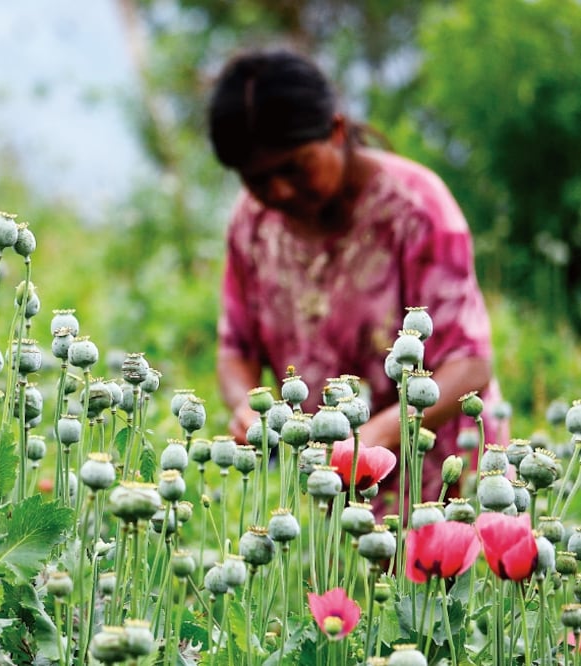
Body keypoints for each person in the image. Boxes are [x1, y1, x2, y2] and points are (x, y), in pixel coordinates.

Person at [207, 48, 506, 509]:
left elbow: (470, 363)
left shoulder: (417, 209)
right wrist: (248, 407)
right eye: (258, 179)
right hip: (328, 491)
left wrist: (379, 435)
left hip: (443, 483)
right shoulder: (252, 225)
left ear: (337, 130)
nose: (280, 190)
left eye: (295, 167)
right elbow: (236, 350)